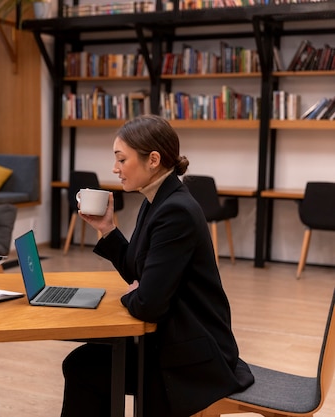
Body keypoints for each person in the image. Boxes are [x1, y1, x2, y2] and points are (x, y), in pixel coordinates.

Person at [60, 115, 254, 417]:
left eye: (121, 159)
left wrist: (134, 294)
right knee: (82, 363)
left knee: (83, 367)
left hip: (192, 356)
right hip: (176, 339)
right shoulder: (157, 200)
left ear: (153, 159)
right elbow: (140, 273)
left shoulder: (174, 210)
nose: (115, 169)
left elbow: (148, 304)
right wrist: (108, 229)